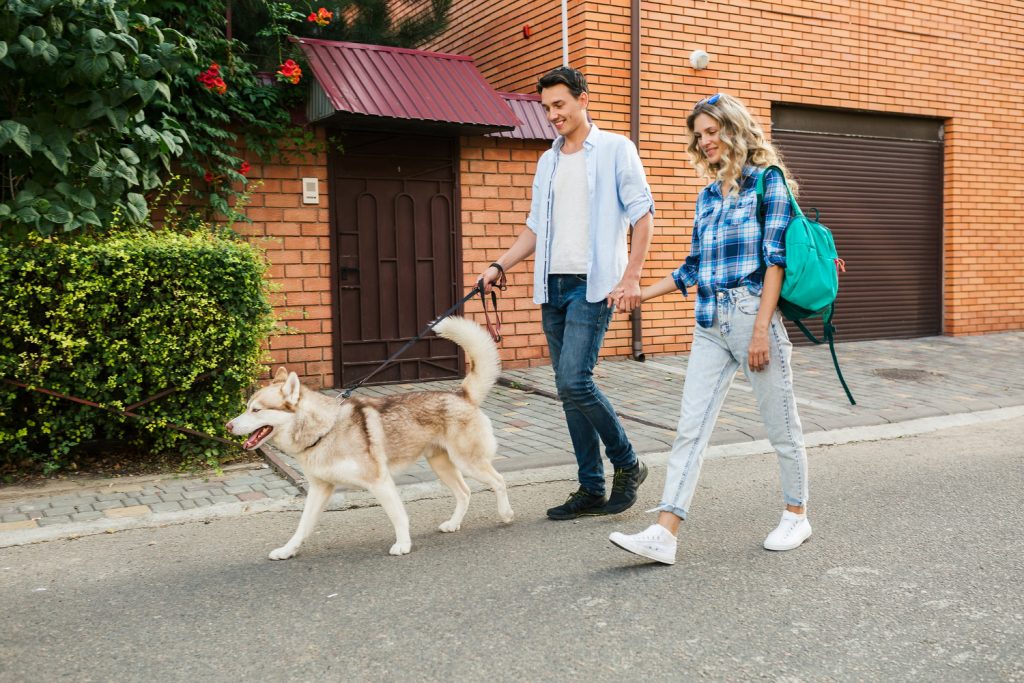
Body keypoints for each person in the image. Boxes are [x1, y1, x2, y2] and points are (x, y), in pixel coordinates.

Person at [607, 92, 811, 564]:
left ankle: (796, 514)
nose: (703, 142)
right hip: (708, 323)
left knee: (782, 425)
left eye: (711, 132)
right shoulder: (707, 196)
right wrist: (637, 292)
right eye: (698, 136)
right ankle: (665, 532)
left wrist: (762, 329)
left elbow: (775, 261)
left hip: (751, 315)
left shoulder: (768, 182)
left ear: (733, 129)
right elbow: (691, 268)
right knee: (690, 430)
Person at [478, 66, 655, 520]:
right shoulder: (548, 160)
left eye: (560, 104)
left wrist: (631, 276)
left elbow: (642, 214)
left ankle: (628, 463)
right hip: (551, 285)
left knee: (575, 380)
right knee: (568, 389)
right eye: (547, 108)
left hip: (592, 285)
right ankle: (591, 488)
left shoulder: (616, 149)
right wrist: (499, 265)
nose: (553, 114)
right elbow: (535, 227)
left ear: (582, 99)